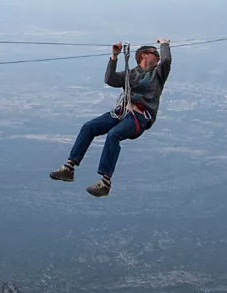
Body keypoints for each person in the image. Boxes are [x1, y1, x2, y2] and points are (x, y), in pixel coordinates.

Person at [49, 38, 172, 196]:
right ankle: (69, 167)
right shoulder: (131, 74)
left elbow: (167, 59)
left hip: (139, 117)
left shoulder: (158, 75)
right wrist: (114, 56)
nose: (159, 57)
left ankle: (105, 182)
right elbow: (110, 79)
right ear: (144, 55)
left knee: (114, 134)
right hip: (122, 112)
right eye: (156, 54)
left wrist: (164, 44)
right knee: (89, 127)